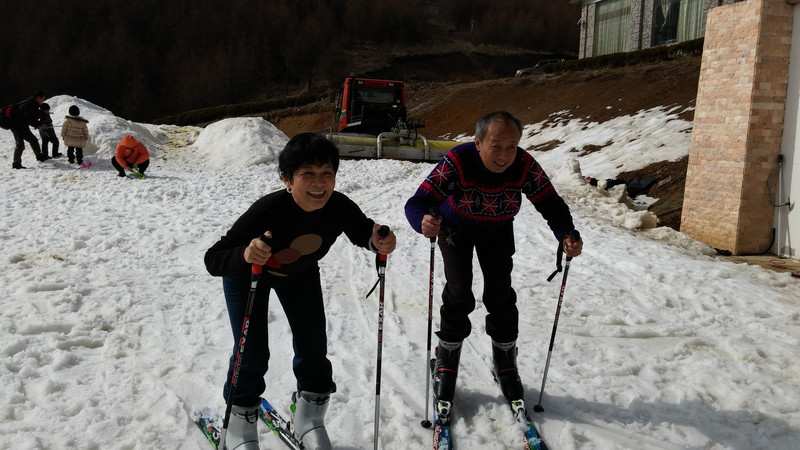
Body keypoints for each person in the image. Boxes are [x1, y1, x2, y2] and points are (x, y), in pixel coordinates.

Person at [204, 133, 396, 450]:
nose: (319, 184)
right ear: (287, 179)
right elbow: (214, 258)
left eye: (327, 174)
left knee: (314, 348)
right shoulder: (267, 210)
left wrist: (380, 241)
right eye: (308, 174)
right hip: (247, 275)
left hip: (298, 275)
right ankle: (238, 426)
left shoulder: (339, 206)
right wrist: (245, 254)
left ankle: (308, 418)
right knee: (251, 352)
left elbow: (365, 232)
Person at [404, 110, 583, 420]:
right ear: (478, 143)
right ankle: (445, 360)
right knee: (459, 292)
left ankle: (505, 361)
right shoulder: (458, 160)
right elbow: (417, 201)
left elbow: (551, 203)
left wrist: (565, 234)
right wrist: (422, 221)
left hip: (498, 229)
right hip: (454, 228)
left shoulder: (524, 165)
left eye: (511, 146)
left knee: (500, 294)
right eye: (496, 146)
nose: (504, 155)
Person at [6, 91, 47, 169]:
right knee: (20, 144)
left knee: (33, 140)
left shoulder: (32, 103)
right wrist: (38, 125)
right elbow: (29, 118)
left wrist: (38, 123)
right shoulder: (29, 105)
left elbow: (30, 118)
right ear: (38, 98)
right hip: (16, 126)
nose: (43, 100)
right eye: (43, 98)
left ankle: (39, 157)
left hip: (22, 125)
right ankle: (16, 163)